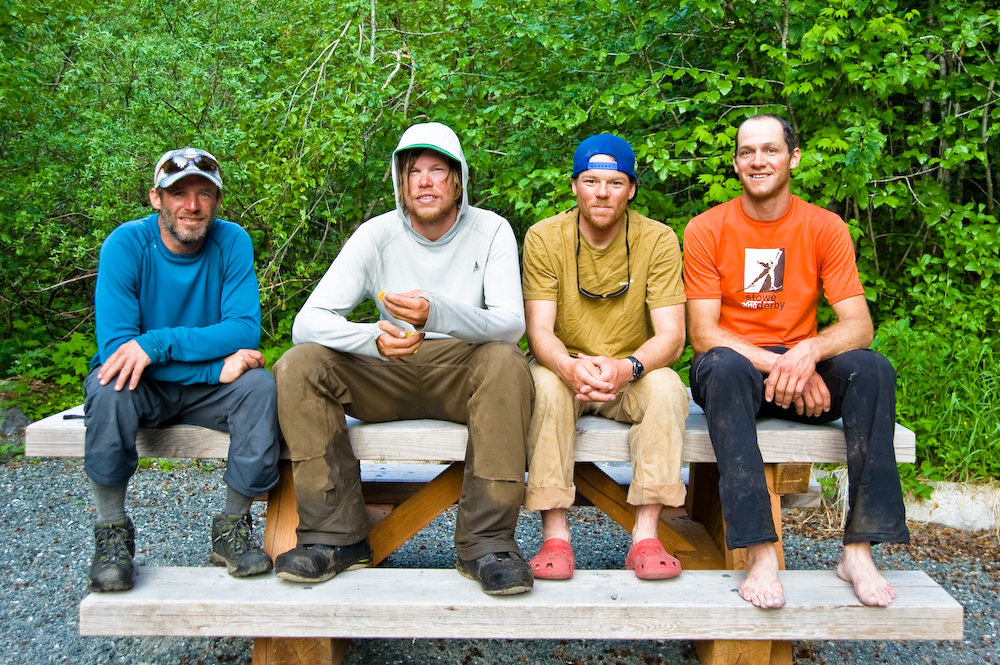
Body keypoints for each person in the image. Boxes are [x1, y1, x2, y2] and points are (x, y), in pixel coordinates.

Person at [272, 122, 534, 596]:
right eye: (414, 172)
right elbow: (307, 323)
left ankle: (488, 544)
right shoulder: (377, 234)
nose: (426, 181)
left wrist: (438, 310)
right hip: (387, 369)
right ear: (400, 181)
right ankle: (334, 538)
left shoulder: (491, 229)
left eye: (438, 170)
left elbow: (511, 324)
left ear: (458, 181)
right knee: (298, 364)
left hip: (462, 369)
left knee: (506, 361)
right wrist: (371, 338)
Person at [683, 114, 909, 609]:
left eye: (770, 150)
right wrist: (780, 365)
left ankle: (858, 551)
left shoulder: (823, 227)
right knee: (719, 366)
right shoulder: (706, 229)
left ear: (793, 158)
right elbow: (702, 334)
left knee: (874, 368)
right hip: (736, 370)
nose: (757, 161)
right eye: (747, 152)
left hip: (800, 365)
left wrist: (808, 353)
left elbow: (858, 325)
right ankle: (760, 553)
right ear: (736, 162)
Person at [84, 147, 280, 592]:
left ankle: (232, 527)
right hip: (147, 387)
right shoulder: (125, 245)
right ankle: (112, 532)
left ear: (217, 201)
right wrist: (211, 371)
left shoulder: (232, 241)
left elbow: (244, 330)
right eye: (179, 193)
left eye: (205, 194)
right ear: (157, 198)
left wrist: (155, 343)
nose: (192, 206)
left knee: (259, 387)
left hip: (199, 388)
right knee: (108, 384)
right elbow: (117, 349)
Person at [521, 134, 689, 581]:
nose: (601, 192)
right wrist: (569, 366)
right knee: (542, 386)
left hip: (630, 369)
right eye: (591, 180)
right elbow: (539, 329)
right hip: (565, 367)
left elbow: (672, 336)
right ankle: (556, 535)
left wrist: (627, 367)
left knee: (669, 386)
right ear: (574, 185)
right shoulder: (544, 237)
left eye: (615, 182)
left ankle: (646, 537)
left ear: (631, 189)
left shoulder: (659, 239)